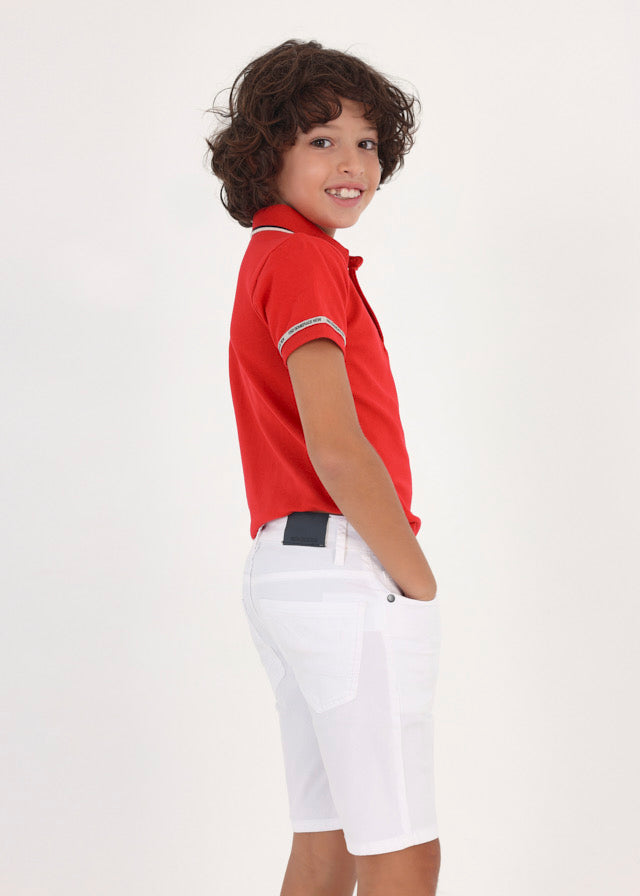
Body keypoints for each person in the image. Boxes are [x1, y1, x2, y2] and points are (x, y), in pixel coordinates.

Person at [205, 39, 442, 896]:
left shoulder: (275, 253)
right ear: (265, 151)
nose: (352, 164)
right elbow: (335, 446)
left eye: (367, 143)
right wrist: (417, 583)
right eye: (321, 140)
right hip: (343, 572)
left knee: (328, 839)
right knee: (403, 847)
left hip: (287, 569)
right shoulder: (304, 257)